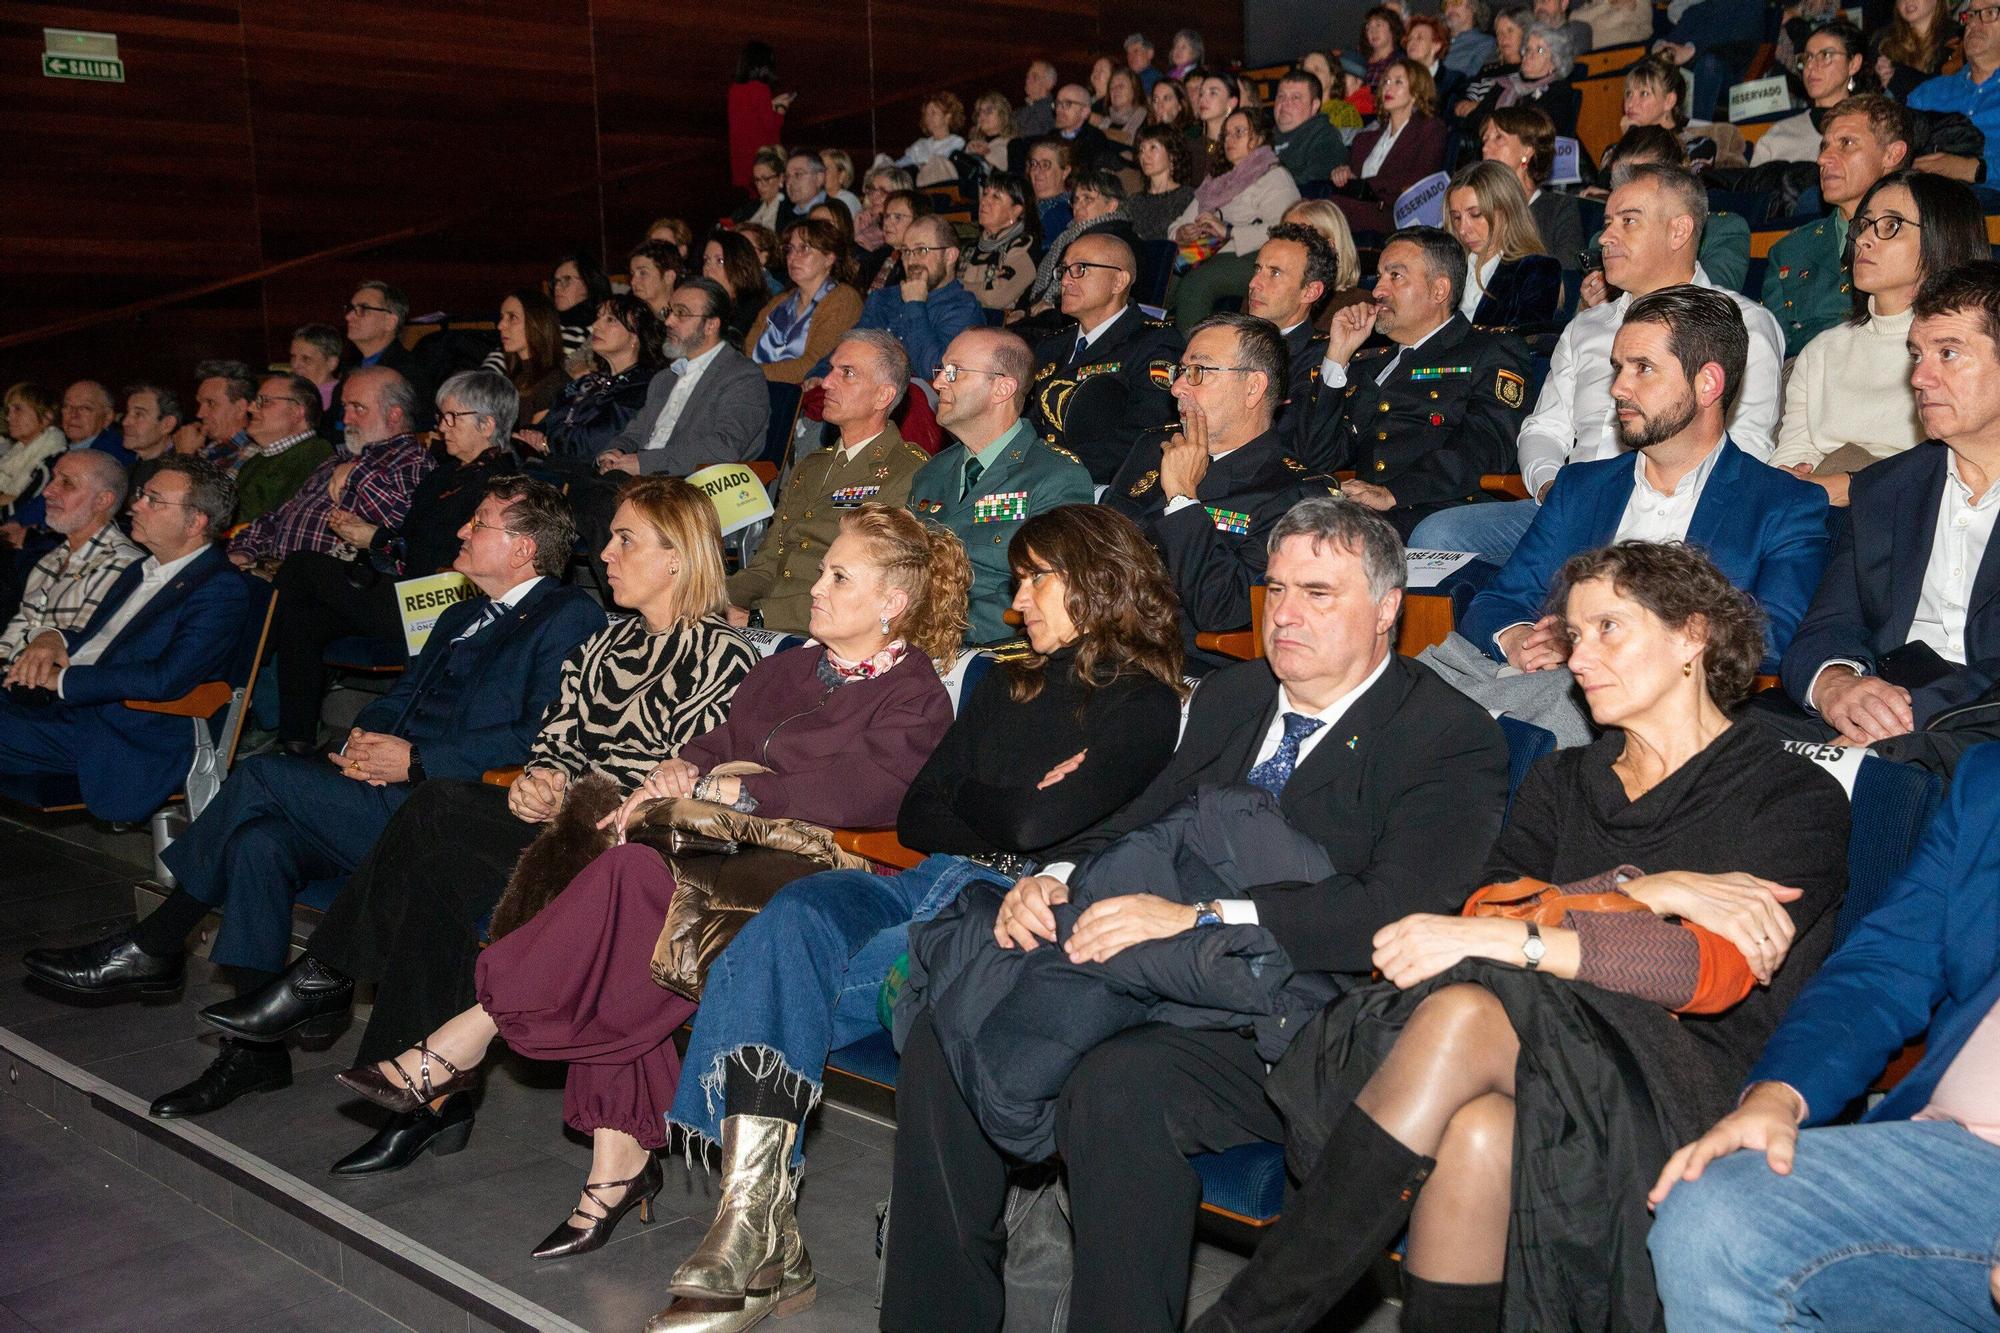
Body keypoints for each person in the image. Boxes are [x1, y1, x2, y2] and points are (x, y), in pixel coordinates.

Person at [881, 498, 1512, 1333]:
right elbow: (1146, 817)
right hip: (1147, 964)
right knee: (951, 1020)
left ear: (1388, 606)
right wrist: (1057, 876)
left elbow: (1395, 913)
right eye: (1275, 588)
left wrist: (1202, 916)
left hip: (1293, 1008)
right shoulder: (1238, 694)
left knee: (1118, 1088)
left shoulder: (1446, 733)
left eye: (1318, 593)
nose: (1284, 614)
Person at [1192, 540, 1849, 1333]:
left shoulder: (1790, 795)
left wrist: (1554, 922)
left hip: (1682, 1084)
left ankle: (1245, 1322)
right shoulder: (1564, 780)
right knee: (1477, 1131)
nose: (1581, 657)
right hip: (1524, 1058)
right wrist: (1647, 893)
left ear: (1693, 636)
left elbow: (1701, 967)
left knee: (1469, 1008)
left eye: (1610, 627)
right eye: (1574, 635)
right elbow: (1481, 919)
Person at [340, 503, 960, 1267]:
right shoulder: (791, 666)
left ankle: (473, 1032)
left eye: (838, 575)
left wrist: (747, 790)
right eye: (824, 568)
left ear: (893, 602)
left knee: (628, 884)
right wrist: (686, 768)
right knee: (628, 902)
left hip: (817, 877)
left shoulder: (915, 692)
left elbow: (871, 792)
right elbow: (718, 742)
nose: (818, 586)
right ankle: (612, 1162)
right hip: (726, 853)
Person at [651, 506, 1186, 1330]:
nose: (1016, 603)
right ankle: (753, 1225)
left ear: (1094, 580)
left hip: (998, 902)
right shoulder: (1009, 680)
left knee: (750, 971)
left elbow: (1032, 833)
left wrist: (991, 805)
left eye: (1035, 578)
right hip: (926, 875)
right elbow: (918, 817)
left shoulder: (1144, 701)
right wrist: (1009, 802)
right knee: (794, 916)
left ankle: (754, 1236)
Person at [200, 478, 755, 1171]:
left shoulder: (723, 655)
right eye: (609, 536)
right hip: (566, 831)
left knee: (437, 810)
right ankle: (425, 1102)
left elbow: (685, 782)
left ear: (677, 557)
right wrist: (539, 780)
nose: (603, 554)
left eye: (624, 539)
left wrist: (569, 792)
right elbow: (554, 743)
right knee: (435, 869)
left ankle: (332, 979)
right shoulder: (603, 646)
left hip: (631, 857)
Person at [26, 477, 603, 1119]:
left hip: (453, 818)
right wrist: (368, 735)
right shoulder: (461, 614)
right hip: (391, 793)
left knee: (264, 774)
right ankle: (253, 1057)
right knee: (257, 843)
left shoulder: (567, 613)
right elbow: (404, 695)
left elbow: (542, 735)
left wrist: (413, 760)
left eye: (480, 523)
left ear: (523, 548)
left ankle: (159, 941)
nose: (463, 532)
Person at [1647, 742, 2000, 1331]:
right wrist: (1778, 1095)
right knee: (1715, 1212)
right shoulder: (1989, 783)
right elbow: (1884, 967)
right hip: (1948, 1156)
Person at [1446, 287, 1830, 746]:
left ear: (1708, 383)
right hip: (1546, 700)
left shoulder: (1781, 504)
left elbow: (1769, 639)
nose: (1617, 388)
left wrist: (1598, 642)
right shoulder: (1582, 488)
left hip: (1672, 726)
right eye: (1618, 368)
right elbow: (1497, 603)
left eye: (1642, 368)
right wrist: (1521, 639)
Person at [1418, 164, 1785, 565]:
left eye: (1628, 222)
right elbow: (1545, 428)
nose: (1605, 237)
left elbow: (1749, 445)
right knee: (1437, 535)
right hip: (1570, 510)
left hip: (1679, 513)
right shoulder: (1586, 327)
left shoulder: (1743, 323)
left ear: (1678, 231)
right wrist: (1548, 484)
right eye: (1608, 222)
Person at [1775, 261, 2000, 752]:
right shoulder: (1885, 490)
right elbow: (1829, 624)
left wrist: (1908, 714)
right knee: (1713, 743)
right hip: (1879, 710)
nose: (1920, 376)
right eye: (1917, 354)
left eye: (1949, 354)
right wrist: (1835, 685)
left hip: (1978, 729)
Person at [269, 370, 528, 754]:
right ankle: (296, 741)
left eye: (452, 418)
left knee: (303, 567)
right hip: (406, 589)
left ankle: (244, 678)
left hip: (443, 602)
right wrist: (374, 539)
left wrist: (375, 537)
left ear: (487, 425)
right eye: (441, 416)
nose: (441, 427)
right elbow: (410, 542)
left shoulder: (499, 484)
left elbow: (447, 559)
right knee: (304, 616)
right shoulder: (445, 475)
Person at [0, 456, 247, 824]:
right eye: (142, 495)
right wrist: (50, 635)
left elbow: (164, 679)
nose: (136, 506)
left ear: (196, 522)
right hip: (74, 711)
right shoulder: (141, 570)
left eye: (154, 500)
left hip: (125, 732)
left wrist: (64, 680)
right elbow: (101, 641)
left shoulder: (220, 589)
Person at [1107, 315, 1317, 671]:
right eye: (1181, 370)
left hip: (1177, 664)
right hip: (1100, 640)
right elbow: (1096, 545)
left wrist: (1182, 499)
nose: (1176, 388)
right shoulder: (1150, 448)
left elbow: (1222, 610)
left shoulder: (1292, 494)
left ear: (1253, 387)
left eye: (1199, 372)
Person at [1772, 171, 1989, 506]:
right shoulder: (1822, 350)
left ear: (1942, 237)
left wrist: (1854, 485)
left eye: (1891, 226)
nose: (1863, 240)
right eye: (1865, 225)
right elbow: (1792, 457)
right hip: (1819, 513)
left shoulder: (1972, 350)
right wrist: (1801, 484)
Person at [1301, 226, 1533, 536]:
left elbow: (1484, 447)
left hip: (1441, 510)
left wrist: (1394, 493)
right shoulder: (1374, 362)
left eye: (1395, 276)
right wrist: (1337, 356)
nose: (1378, 291)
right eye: (1380, 276)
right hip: (1367, 516)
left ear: (1439, 290)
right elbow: (1319, 458)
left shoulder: (1489, 350)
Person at [728, 331, 932, 633]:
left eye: (846, 373)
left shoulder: (907, 472)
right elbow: (768, 564)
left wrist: (762, 618)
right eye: (831, 369)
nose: (826, 382)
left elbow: (869, 588)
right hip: (766, 625)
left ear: (883, 396)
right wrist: (708, 599)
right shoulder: (811, 466)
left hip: (823, 632)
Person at [908, 328, 1095, 644]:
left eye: (954, 372)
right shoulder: (933, 471)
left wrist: (928, 628)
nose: (938, 383)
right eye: (941, 371)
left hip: (991, 653)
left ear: (1002, 388)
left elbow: (1051, 592)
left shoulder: (1054, 476)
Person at [227, 367, 433, 576]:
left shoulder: (411, 459)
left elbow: (401, 520)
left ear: (393, 415)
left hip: (335, 584)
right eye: (345, 407)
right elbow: (279, 518)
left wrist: (356, 473)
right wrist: (244, 550)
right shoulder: (339, 460)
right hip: (277, 572)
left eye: (358, 408)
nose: (346, 419)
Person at [1026, 232, 1183, 483]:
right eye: (1064, 270)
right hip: (1039, 480)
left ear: (1118, 281)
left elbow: (1144, 435)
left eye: (1080, 269)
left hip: (1100, 488)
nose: (1065, 280)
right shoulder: (1051, 346)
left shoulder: (1154, 345)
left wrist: (1055, 474)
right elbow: (1028, 421)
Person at [1763, 94, 1912, 359]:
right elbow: (1775, 355)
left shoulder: (1925, 232)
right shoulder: (1789, 251)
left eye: (1846, 143)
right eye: (1824, 147)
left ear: (1892, 154)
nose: (1823, 159)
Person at [593, 278, 768, 480]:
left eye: (681, 313)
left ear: (710, 325)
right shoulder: (665, 378)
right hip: (640, 482)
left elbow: (725, 447)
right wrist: (615, 452)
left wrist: (644, 463)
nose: (668, 322)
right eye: (669, 312)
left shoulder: (742, 376)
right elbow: (635, 432)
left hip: (688, 489)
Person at [0, 451, 141, 663]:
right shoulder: (49, 560)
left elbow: (78, 652)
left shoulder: (121, 565)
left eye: (67, 483)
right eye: (53, 479)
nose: (48, 491)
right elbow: (16, 633)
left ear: (102, 501)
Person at [809, 216, 980, 390]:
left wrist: (914, 304)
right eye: (906, 252)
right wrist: (820, 374)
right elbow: (852, 345)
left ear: (950, 256)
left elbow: (938, 373)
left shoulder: (964, 308)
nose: (911, 261)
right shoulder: (884, 298)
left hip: (919, 405)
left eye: (921, 250)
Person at [1173, 107, 1303, 325]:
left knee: (1197, 283)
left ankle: (1194, 356)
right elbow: (1180, 222)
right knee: (1164, 277)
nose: (1229, 139)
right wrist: (1183, 232)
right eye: (1227, 135)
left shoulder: (1274, 176)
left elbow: (1287, 230)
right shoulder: (1217, 181)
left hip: (1254, 257)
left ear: (1260, 137)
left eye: (1239, 132)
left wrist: (1229, 231)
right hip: (1204, 250)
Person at [1592, 125, 1752, 292]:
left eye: (1641, 177)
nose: (1627, 188)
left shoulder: (1722, 230)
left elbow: (1711, 299)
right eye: (1618, 182)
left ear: (1677, 178)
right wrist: (1587, 305)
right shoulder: (1602, 242)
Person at [520, 296, 665, 466]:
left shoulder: (643, 386)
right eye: (598, 317)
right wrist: (532, 435)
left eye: (610, 320)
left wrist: (547, 443)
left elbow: (596, 443)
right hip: (555, 468)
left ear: (635, 336)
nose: (596, 325)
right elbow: (547, 423)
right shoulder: (586, 382)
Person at [1245, 222, 1341, 440]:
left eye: (1275, 273)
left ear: (1310, 292)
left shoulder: (1322, 358)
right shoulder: (1228, 337)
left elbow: (1289, 440)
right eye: (1258, 269)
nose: (1254, 283)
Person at [1330, 60, 1447, 237]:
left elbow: (1420, 180)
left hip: (1397, 215)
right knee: (1319, 206)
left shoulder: (1430, 130)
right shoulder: (1365, 139)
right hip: (1359, 210)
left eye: (1398, 82)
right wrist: (1343, 172)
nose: (1388, 88)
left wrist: (1367, 185)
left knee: (1330, 208)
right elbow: (1351, 176)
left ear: (1416, 91)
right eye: (1386, 82)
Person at [744, 219, 862, 385]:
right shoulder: (779, 301)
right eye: (790, 250)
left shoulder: (843, 300)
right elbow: (748, 349)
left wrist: (749, 374)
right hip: (754, 387)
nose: (793, 257)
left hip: (798, 400)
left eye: (804, 249)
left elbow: (814, 364)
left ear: (829, 257)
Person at [1447, 160, 1562, 327]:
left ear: (1507, 210)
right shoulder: (1449, 267)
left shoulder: (1536, 271)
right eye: (1456, 217)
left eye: (1476, 214)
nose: (1463, 229)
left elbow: (1522, 347)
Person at [1753, 21, 1877, 165]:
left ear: (1854, 64)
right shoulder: (1779, 134)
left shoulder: (1871, 128)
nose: (1811, 66)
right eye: (1808, 57)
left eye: (1826, 55)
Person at [1908, 0, 2000, 184]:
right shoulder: (1926, 94)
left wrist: (1975, 169)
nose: (1973, 23)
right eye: (1971, 15)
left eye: (1989, 12)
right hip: (1930, 202)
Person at [234, 373, 334, 526]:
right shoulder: (255, 461)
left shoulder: (315, 455)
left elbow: (258, 518)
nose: (251, 408)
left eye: (264, 402)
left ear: (296, 412)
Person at [340, 280, 433, 425]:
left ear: (390, 322)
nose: (349, 316)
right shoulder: (349, 369)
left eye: (363, 309)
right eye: (351, 308)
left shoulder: (408, 373)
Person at [961, 171, 1041, 312]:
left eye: (996, 197)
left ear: (1015, 211)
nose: (984, 201)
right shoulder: (969, 247)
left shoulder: (1024, 247)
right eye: (985, 194)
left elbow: (994, 297)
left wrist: (959, 287)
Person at [490, 287, 566, 425]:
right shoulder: (512, 377)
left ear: (537, 323)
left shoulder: (554, 384)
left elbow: (529, 444)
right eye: (501, 318)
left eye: (512, 317)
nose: (500, 325)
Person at [726, 41, 789, 190]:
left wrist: (771, 104)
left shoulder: (735, 89)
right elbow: (771, 125)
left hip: (742, 157)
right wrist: (781, 109)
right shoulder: (761, 89)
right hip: (762, 155)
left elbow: (748, 116)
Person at [1271, 69, 1347, 192]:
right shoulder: (1263, 138)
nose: (1285, 103)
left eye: (1296, 97)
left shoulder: (1324, 136)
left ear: (1314, 105)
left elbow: (1314, 185)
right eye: (1281, 96)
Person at [174, 360, 256, 474]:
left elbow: (195, 491)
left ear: (240, 408)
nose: (200, 414)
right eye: (200, 404)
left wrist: (184, 455)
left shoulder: (252, 455)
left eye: (211, 403)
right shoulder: (207, 449)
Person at [0, 384, 64, 521]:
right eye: (8, 410)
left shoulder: (53, 458)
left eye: (17, 409)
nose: (8, 417)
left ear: (46, 416)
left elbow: (23, 503)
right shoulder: (17, 450)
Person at [1873, 0, 1956, 100]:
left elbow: (1948, 93)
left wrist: (1898, 78)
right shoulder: (1883, 43)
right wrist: (1879, 80)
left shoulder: (1957, 38)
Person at [1129, 124, 1199, 241]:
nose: (1145, 156)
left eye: (1153, 148)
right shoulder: (1134, 201)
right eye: (1142, 150)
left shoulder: (1188, 197)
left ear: (1172, 155)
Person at [701, 228, 772, 341]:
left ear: (741, 265)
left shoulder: (756, 310)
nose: (708, 268)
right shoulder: (706, 303)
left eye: (720, 261)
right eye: (706, 260)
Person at [550, 252, 615, 360]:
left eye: (567, 280)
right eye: (555, 281)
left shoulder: (607, 328)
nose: (557, 287)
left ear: (589, 283)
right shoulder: (548, 324)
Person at [897, 93, 968, 187]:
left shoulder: (957, 142)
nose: (928, 118)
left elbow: (945, 165)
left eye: (933, 113)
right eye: (926, 114)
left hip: (943, 188)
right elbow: (898, 166)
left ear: (947, 117)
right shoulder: (919, 145)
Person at [1052, 83, 1117, 174]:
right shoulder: (1050, 137)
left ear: (1085, 112)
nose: (1059, 109)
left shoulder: (1094, 139)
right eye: (1057, 104)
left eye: (1067, 104)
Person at [1190, 68, 1242, 180]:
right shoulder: (1192, 146)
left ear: (1231, 102)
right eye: (1201, 94)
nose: (1203, 99)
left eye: (1213, 93)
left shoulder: (1239, 146)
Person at [288, 324, 345, 425]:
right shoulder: (288, 390)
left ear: (331, 363)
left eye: (306, 359)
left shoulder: (343, 396)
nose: (295, 365)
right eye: (293, 357)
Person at [117, 383, 181, 463]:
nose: (125, 422)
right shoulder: (130, 464)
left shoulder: (176, 470)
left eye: (138, 414)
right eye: (127, 412)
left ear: (167, 424)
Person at [1026, 138, 1077, 239]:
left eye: (1045, 165)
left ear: (1065, 172)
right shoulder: (1026, 203)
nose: (1037, 171)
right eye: (1033, 164)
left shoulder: (1063, 213)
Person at [626, 239, 683, 322]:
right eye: (632, 274)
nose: (633, 282)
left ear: (669, 277)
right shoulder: (631, 319)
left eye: (643, 273)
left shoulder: (683, 320)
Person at [733, 148, 786, 232]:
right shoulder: (751, 207)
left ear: (781, 178)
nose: (760, 185)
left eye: (766, 179)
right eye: (757, 180)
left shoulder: (788, 210)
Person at [776, 148, 829, 230]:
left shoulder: (832, 212)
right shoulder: (784, 212)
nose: (790, 182)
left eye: (798, 174)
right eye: (787, 176)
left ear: (819, 178)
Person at [1443, 0, 1498, 78]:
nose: (1449, 8)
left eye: (1456, 1)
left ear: (1474, 6)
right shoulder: (1434, 41)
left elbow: (1471, 81)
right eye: (1445, 4)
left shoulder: (1485, 43)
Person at [962, 93, 1015, 175]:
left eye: (989, 111)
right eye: (980, 112)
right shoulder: (972, 144)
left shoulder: (1011, 143)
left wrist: (986, 153)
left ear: (1002, 115)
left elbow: (1005, 164)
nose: (982, 115)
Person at [1359, 5, 1408, 88]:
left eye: (1378, 25)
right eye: (1368, 28)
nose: (1373, 31)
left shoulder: (1401, 61)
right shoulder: (1360, 62)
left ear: (1392, 28)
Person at [1098, 68, 1149, 145]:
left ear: (1134, 91)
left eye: (1121, 86)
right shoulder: (1106, 121)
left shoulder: (1147, 119)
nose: (1115, 90)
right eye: (1112, 87)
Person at [1571, 0, 1651, 48]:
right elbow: (1573, 19)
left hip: (1625, 48)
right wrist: (1607, 4)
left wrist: (1594, 18)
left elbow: (1601, 25)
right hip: (1587, 46)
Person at [1017, 60, 1058, 139]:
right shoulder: (1021, 110)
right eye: (1027, 77)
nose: (1028, 80)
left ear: (1049, 83)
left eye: (1035, 77)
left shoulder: (1052, 112)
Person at [818, 148, 862, 219]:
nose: (820, 173)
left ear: (842, 175)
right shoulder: (819, 200)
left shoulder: (847, 200)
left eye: (826, 169)